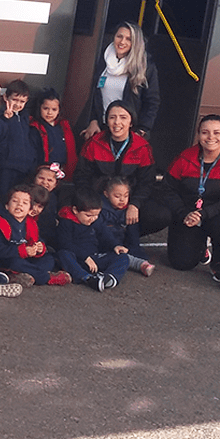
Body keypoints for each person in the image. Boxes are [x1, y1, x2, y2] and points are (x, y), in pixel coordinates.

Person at [157, 114, 220, 275]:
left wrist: (204, 213)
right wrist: (183, 213)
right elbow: (167, 189)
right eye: (205, 132)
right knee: (181, 263)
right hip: (188, 213)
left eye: (216, 133)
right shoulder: (184, 158)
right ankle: (201, 248)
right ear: (199, 134)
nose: (210, 137)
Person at [73, 100, 167, 236]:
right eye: (112, 117)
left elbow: (147, 182)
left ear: (131, 122)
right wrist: (91, 203)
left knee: (161, 215)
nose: (117, 122)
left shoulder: (142, 147)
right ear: (107, 121)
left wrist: (135, 204)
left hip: (128, 199)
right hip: (100, 198)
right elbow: (81, 176)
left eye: (123, 118)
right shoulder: (94, 143)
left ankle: (126, 235)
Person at [78, 21, 160, 139]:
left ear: (135, 43)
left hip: (130, 132)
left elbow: (152, 102)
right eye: (119, 36)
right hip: (102, 127)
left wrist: (142, 129)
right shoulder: (104, 59)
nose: (122, 42)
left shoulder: (145, 66)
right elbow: (95, 94)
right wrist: (93, 120)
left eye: (128, 39)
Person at [0, 183, 70, 286]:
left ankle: (22, 275)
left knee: (48, 259)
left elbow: (36, 239)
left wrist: (39, 247)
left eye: (25, 203)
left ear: (30, 209)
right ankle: (47, 278)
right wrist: (22, 251)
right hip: (6, 259)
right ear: (7, 205)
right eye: (15, 201)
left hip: (25, 258)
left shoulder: (30, 223)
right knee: (16, 263)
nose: (19, 205)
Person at [54, 187, 129, 292]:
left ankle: (109, 278)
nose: (93, 218)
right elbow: (65, 244)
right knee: (64, 254)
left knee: (123, 257)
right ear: (75, 210)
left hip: (95, 257)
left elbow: (105, 234)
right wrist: (85, 257)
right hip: (77, 259)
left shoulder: (95, 220)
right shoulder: (66, 222)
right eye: (88, 215)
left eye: (96, 215)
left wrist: (115, 245)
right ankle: (87, 278)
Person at [29, 88, 76, 180]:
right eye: (45, 108)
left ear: (59, 110)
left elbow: (71, 151)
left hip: (61, 171)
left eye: (54, 109)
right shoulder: (35, 128)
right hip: (42, 172)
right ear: (39, 108)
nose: (49, 113)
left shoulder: (64, 127)